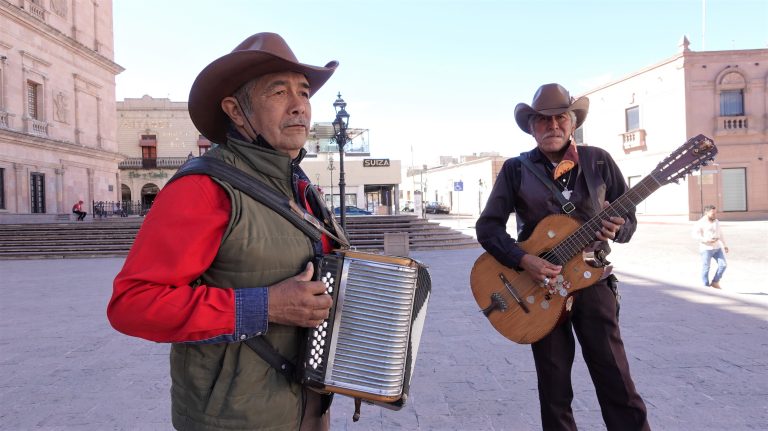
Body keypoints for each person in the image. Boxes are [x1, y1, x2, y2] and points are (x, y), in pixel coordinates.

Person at [108, 33, 344, 431]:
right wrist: (265, 305)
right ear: (236, 111)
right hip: (235, 419)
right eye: (278, 91)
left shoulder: (300, 188)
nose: (299, 105)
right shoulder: (203, 189)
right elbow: (132, 304)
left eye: (304, 92)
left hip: (306, 406)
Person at [475, 83, 650, 430]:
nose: (552, 126)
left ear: (572, 124)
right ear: (531, 126)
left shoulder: (599, 159)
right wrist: (524, 260)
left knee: (616, 379)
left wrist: (619, 228)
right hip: (539, 290)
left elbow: (628, 220)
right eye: (543, 120)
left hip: (593, 284)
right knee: (554, 390)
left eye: (560, 119)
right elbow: (488, 228)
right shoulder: (516, 169)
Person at [692, 204, 728, 289]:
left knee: (723, 265)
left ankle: (715, 282)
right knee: (706, 267)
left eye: (715, 213)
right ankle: (706, 286)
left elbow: (720, 234)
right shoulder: (700, 223)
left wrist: (725, 245)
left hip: (717, 248)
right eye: (713, 213)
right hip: (706, 249)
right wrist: (706, 240)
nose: (715, 215)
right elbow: (694, 235)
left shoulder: (716, 221)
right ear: (706, 213)